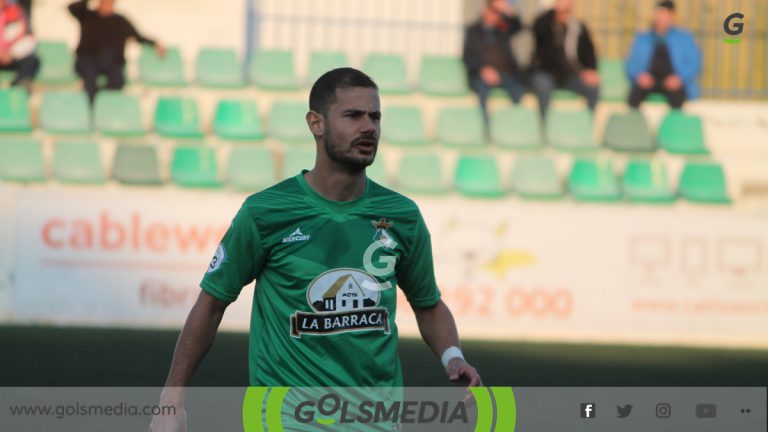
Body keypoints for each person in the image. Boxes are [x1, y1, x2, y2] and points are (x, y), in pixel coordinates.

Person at [149, 68, 482, 431]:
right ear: (316, 123)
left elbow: (428, 303)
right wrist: (171, 398)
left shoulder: (402, 216)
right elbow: (211, 304)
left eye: (375, 116)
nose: (369, 127)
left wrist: (452, 356)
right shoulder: (266, 212)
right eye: (353, 116)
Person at [68, 0, 165, 103]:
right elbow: (72, 8)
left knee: (118, 81)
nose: (107, 4)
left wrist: (154, 43)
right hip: (87, 59)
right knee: (89, 78)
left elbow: (138, 37)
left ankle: (101, 100)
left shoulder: (120, 21)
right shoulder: (87, 15)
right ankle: (90, 107)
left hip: (111, 61)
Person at [626, 0, 701, 109]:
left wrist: (680, 78)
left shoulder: (684, 38)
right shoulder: (642, 38)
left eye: (667, 14)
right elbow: (630, 63)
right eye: (660, 13)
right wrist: (639, 76)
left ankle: (674, 125)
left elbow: (695, 63)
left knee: (677, 101)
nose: (663, 18)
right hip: (649, 80)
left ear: (673, 16)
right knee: (633, 98)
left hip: (673, 81)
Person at [530, 0, 600, 118]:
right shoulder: (545, 23)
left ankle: (586, 124)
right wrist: (554, 11)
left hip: (570, 75)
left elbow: (589, 50)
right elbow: (537, 28)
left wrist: (590, 70)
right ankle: (544, 124)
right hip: (546, 72)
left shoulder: (578, 27)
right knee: (543, 86)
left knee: (593, 87)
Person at [462, 0, 524, 131]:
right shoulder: (473, 30)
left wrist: (508, 9)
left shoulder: (502, 30)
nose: (495, 15)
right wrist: (482, 70)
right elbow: (468, 57)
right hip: (480, 74)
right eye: (493, 11)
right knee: (482, 92)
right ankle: (485, 128)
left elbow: (519, 26)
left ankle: (513, 127)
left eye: (498, 13)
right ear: (485, 11)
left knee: (517, 89)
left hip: (503, 73)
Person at [0, 0, 39, 89]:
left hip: (12, 57)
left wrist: (11, 53)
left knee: (32, 60)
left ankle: (20, 86)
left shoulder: (17, 12)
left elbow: (29, 39)